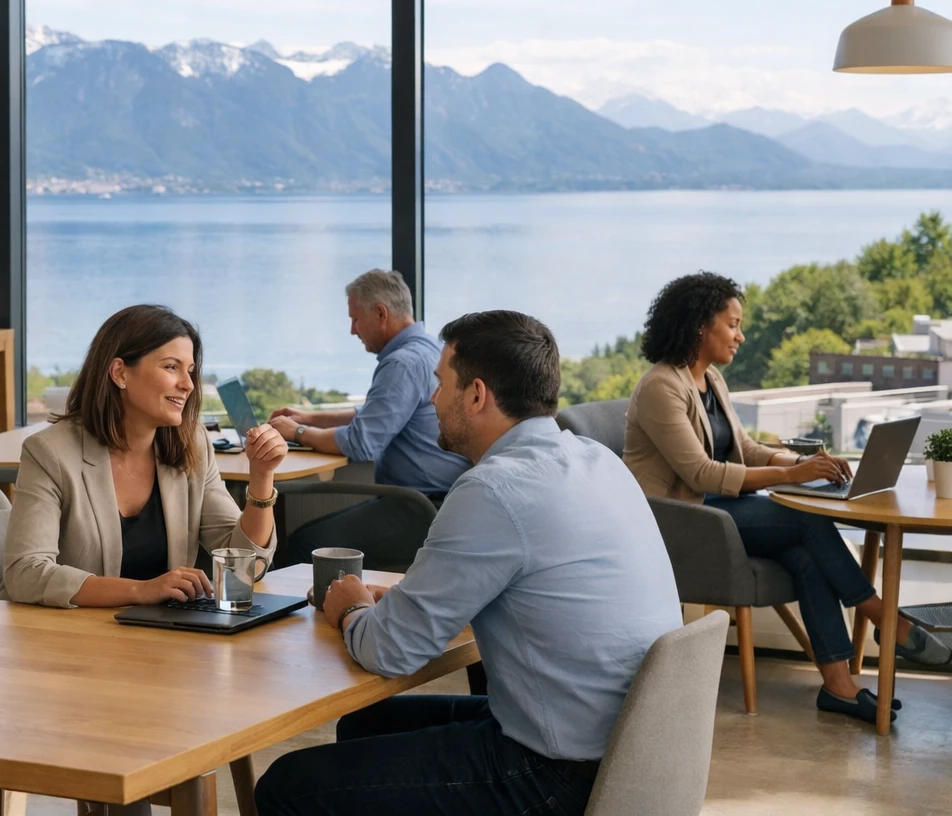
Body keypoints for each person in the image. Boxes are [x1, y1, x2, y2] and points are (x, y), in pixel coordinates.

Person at [256, 311, 682, 816]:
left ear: (476, 394)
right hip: (630, 753)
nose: (432, 399)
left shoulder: (495, 489)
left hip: (558, 775)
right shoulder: (595, 459)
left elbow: (388, 650)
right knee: (363, 725)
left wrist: (348, 608)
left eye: (440, 384)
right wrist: (405, 602)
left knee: (289, 785)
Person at [624, 271, 951, 723]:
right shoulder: (662, 385)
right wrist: (795, 473)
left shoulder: (710, 379)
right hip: (682, 521)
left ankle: (837, 686)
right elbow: (700, 472)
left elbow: (745, 448)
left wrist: (801, 462)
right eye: (733, 324)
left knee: (804, 555)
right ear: (702, 325)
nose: (741, 335)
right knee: (806, 521)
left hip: (716, 511)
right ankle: (883, 616)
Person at [0, 304, 287, 607]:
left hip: (156, 640)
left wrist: (261, 477)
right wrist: (141, 590)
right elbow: (26, 573)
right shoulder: (50, 453)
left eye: (190, 371)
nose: (188, 385)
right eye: (171, 367)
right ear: (120, 372)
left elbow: (243, 569)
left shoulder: (194, 446)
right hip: (66, 637)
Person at [268, 269, 470, 568]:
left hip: (422, 506)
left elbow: (361, 443)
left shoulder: (402, 363)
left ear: (380, 313)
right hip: (432, 501)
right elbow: (377, 416)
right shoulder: (426, 349)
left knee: (305, 544)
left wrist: (296, 431)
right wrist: (310, 417)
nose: (353, 330)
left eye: (355, 319)